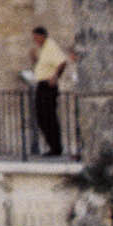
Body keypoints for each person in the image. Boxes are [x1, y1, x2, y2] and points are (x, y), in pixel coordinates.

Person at [23, 26, 72, 156]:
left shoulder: (51, 46)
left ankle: (56, 148)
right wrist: (34, 60)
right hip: (42, 84)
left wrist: (56, 77)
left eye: (36, 37)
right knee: (42, 117)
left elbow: (62, 62)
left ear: (42, 36)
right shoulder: (43, 49)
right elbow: (44, 66)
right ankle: (53, 146)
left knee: (48, 117)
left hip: (48, 86)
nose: (35, 40)